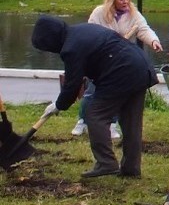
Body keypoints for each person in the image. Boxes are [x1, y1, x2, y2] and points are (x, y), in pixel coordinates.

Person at [30, 15, 157, 179]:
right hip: (140, 66)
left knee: (95, 114)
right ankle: (130, 169)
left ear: (51, 41)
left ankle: (106, 163)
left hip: (122, 71)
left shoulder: (71, 48)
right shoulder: (81, 30)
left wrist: (59, 105)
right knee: (131, 120)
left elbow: (73, 84)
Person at [76, 0, 163, 139]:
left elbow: (144, 29)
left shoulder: (133, 14)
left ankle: (112, 125)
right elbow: (90, 32)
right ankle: (82, 121)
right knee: (92, 91)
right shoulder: (99, 13)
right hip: (101, 59)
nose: (125, 2)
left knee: (117, 92)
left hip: (120, 61)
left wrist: (153, 41)